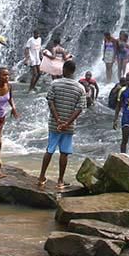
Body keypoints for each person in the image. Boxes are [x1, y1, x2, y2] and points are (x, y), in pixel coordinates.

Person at [37, 60, 85, 189]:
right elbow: (79, 108)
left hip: (54, 124)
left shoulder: (55, 84)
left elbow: (50, 101)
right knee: (64, 153)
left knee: (50, 150)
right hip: (69, 127)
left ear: (63, 69)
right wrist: (67, 123)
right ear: (74, 71)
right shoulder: (80, 88)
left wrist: (58, 120)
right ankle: (60, 181)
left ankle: (41, 177)